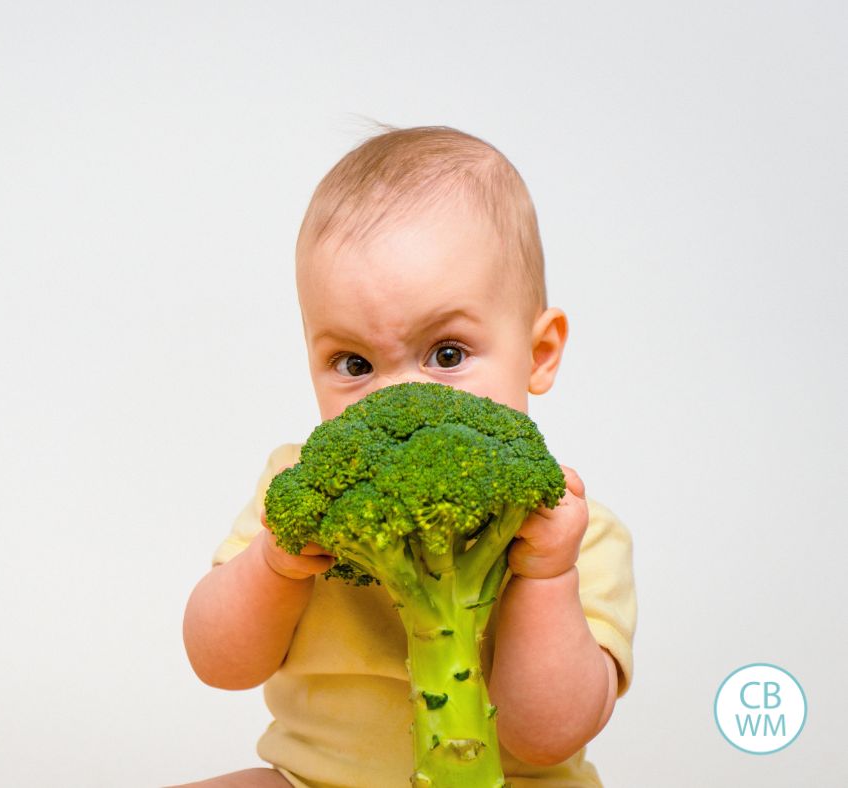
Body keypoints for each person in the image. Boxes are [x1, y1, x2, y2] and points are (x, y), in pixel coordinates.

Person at [177, 125, 637, 787]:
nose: (397, 396)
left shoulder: (573, 529)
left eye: (446, 355)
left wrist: (547, 577)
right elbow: (219, 663)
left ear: (540, 353)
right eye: (354, 363)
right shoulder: (298, 491)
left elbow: (548, 736)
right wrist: (272, 567)